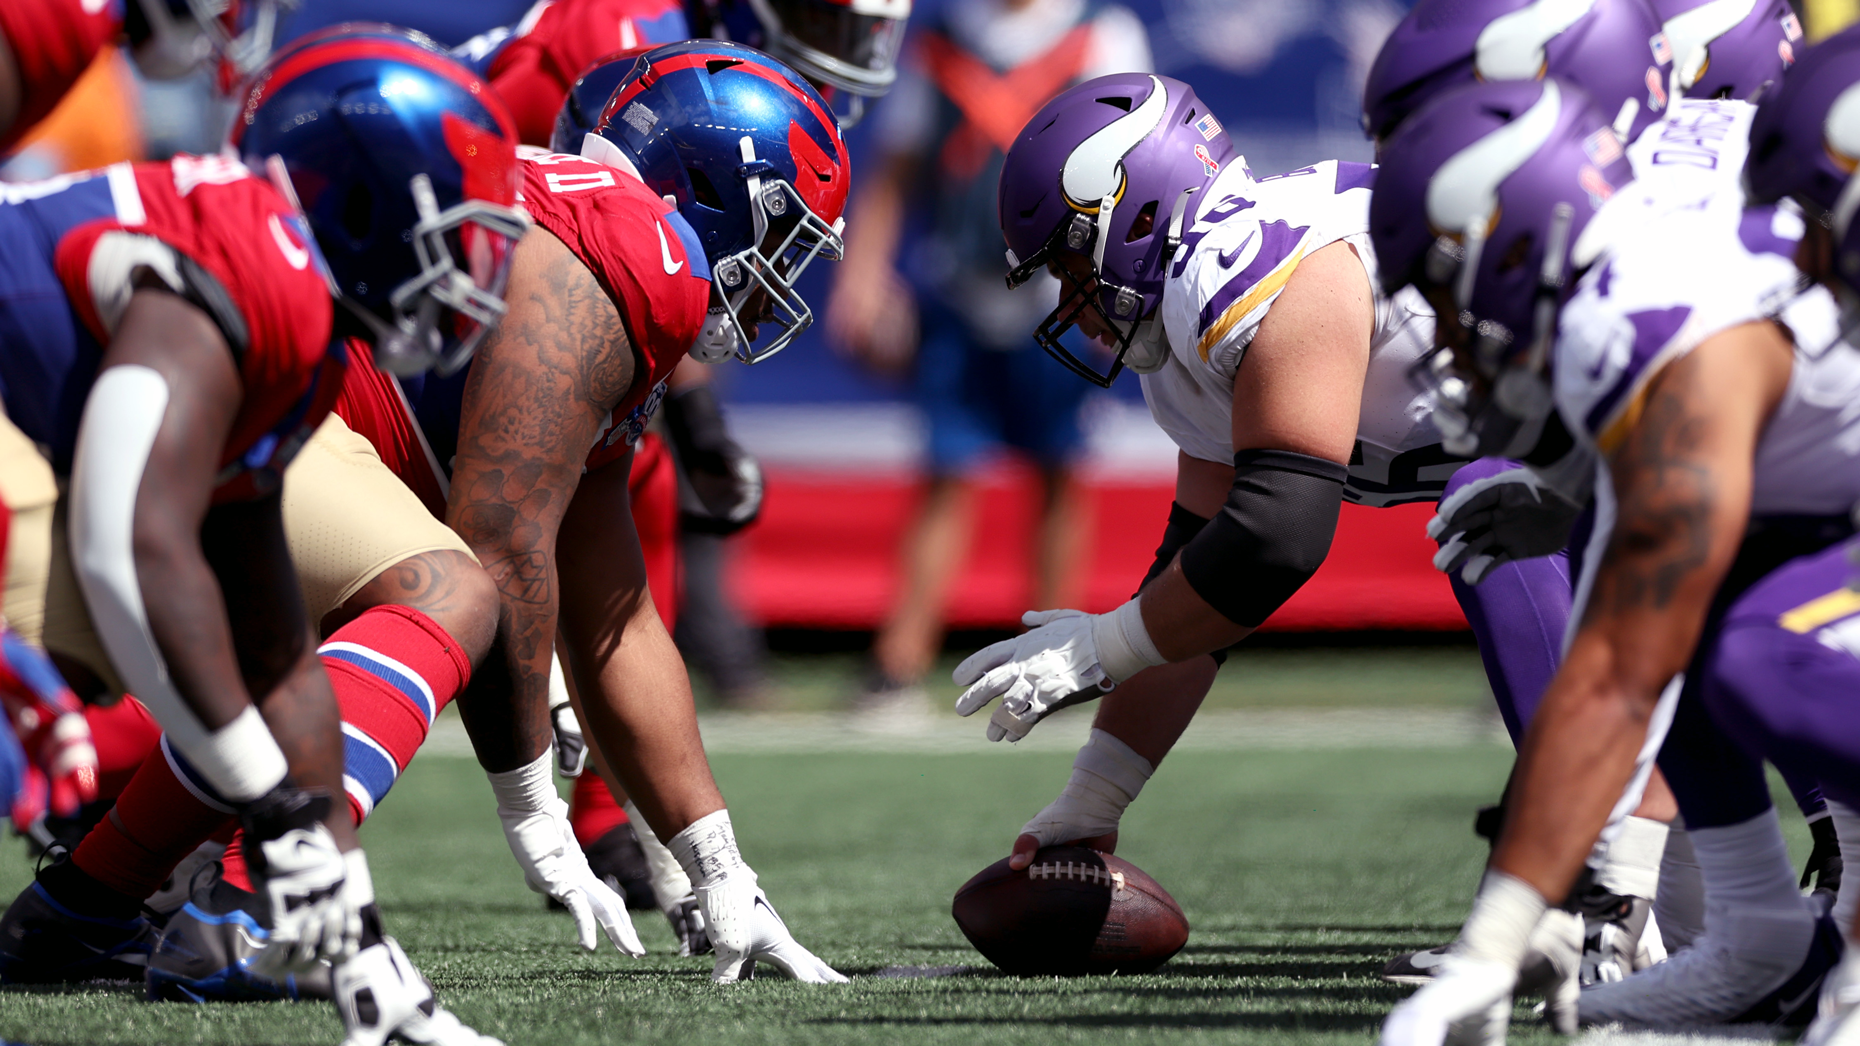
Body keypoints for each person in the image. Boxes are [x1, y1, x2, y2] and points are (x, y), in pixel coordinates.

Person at [0, 28, 529, 1044]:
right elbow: (131, 546)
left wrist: (352, 919)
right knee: (60, 664)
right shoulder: (256, 262)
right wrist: (266, 794)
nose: (478, 270)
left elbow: (277, 640)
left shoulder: (309, 326)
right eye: (458, 232)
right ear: (368, 205)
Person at [1368, 69, 1859, 1042]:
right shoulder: (1644, 249)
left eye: (1450, 298)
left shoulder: (1648, 323)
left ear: (1510, 248)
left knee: (1755, 647)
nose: (1451, 342)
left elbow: (1614, 675)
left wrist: (1496, 940)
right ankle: (1762, 929)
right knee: (1652, 560)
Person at [826, 0, 1149, 712]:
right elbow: (899, 167)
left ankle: (1058, 658)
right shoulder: (942, 37)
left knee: (1061, 470)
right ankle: (898, 661)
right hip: (959, 285)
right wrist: (863, 274)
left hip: (1061, 294)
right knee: (945, 472)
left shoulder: (1099, 32)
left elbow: (1136, 174)